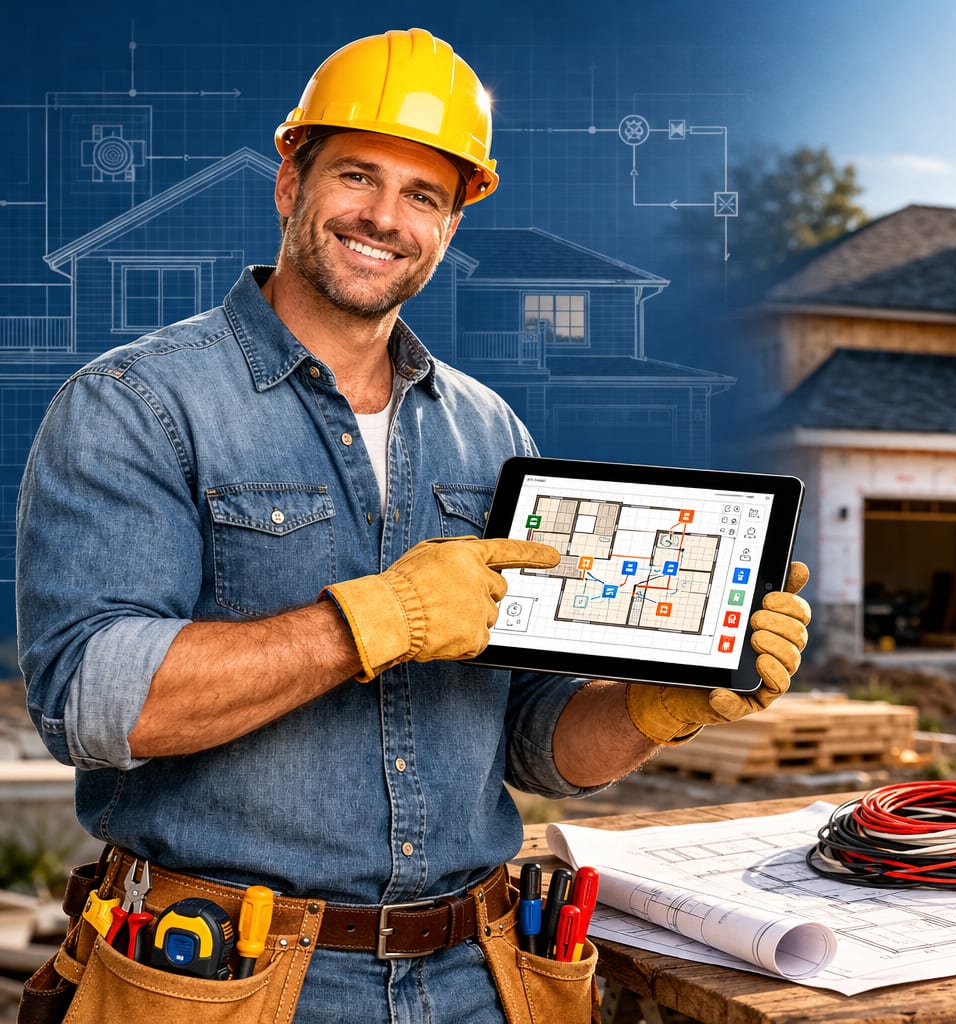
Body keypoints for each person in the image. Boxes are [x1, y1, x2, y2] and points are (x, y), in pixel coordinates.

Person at [15, 27, 809, 1024]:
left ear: (450, 222)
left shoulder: (489, 431)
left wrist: (661, 703)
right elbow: (90, 699)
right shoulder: (137, 402)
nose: (384, 217)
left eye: (424, 195)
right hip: (225, 978)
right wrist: (372, 619)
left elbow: (529, 737)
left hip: (482, 972)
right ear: (288, 184)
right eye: (358, 176)